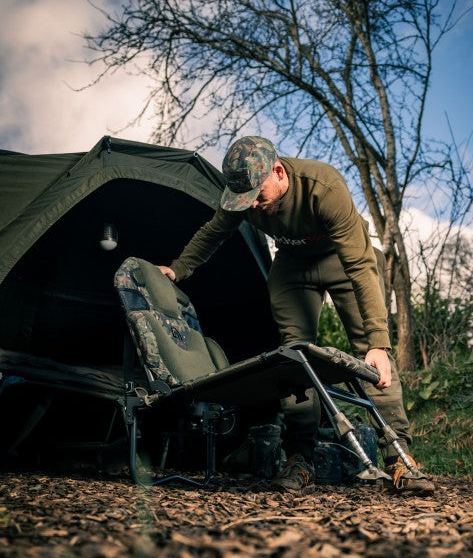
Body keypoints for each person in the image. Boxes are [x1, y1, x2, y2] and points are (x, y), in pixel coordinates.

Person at [157, 136, 434, 495]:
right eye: (246, 200)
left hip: (342, 260)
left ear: (278, 171)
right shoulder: (245, 195)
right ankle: (300, 458)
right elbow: (213, 233)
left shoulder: (324, 187)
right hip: (292, 268)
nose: (253, 205)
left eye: (259, 195)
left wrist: (378, 341)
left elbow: (361, 265)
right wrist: (178, 270)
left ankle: (399, 457)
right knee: (294, 356)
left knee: (373, 352)